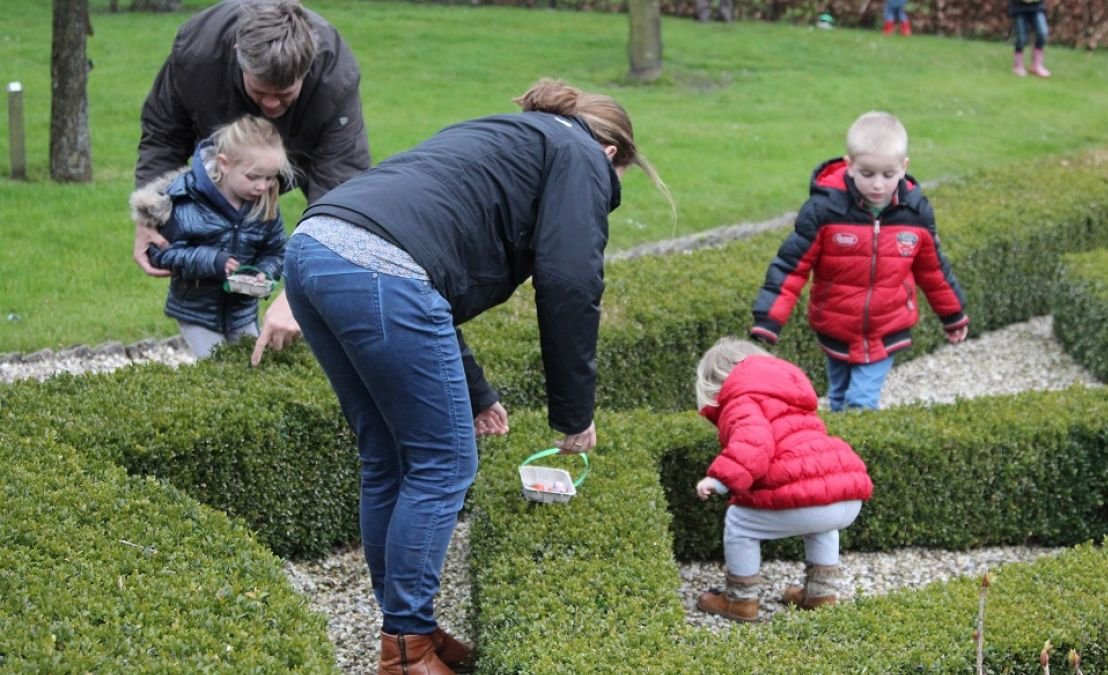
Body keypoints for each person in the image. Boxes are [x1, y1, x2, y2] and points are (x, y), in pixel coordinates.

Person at [270, 78, 671, 673]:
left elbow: (425, 255)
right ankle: (404, 649)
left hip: (314, 249)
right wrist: (573, 415)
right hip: (379, 266)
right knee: (444, 463)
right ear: (610, 153)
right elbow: (569, 283)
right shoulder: (580, 155)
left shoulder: (499, 135)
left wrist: (478, 392)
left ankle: (412, 632)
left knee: (388, 454)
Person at [132, 0, 370, 278]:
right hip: (222, 158)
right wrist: (149, 216)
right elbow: (163, 135)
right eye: (260, 90)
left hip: (300, 144)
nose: (270, 104)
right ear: (239, 57)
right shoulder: (197, 53)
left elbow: (341, 175)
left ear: (306, 70)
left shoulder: (334, 76)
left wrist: (315, 275)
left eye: (284, 93)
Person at [749, 111, 969, 412]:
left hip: (886, 325)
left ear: (904, 168)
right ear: (849, 165)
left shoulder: (915, 215)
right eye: (867, 174)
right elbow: (791, 266)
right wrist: (769, 319)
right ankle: (837, 453)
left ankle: (860, 454)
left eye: (888, 175)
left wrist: (953, 315)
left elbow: (933, 271)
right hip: (835, 324)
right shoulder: (823, 211)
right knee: (837, 397)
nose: (878, 185)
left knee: (861, 402)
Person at [692, 337, 874, 621]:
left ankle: (739, 600)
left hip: (815, 500)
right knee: (821, 523)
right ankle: (820, 594)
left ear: (715, 382)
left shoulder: (740, 399)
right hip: (847, 496)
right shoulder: (790, 396)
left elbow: (754, 443)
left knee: (739, 522)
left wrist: (719, 480)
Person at [129, 114, 291, 359]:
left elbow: (276, 250)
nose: (262, 186)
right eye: (253, 177)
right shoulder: (187, 199)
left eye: (270, 178)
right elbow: (161, 253)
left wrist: (264, 273)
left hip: (242, 311)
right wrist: (210, 260)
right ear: (224, 164)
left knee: (254, 364)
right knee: (215, 367)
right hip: (196, 312)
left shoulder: (264, 203)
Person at [1009, 0, 1052, 77]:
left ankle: (1036, 65)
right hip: (1019, 8)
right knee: (1021, 37)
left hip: (1037, 6)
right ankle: (1018, 65)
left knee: (1042, 33)